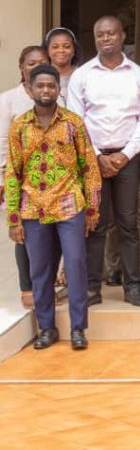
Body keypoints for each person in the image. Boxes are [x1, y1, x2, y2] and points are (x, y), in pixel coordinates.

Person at [6, 65, 101, 351]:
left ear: (58, 89)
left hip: (69, 205)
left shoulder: (73, 123)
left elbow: (89, 167)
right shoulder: (20, 126)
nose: (46, 90)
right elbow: (12, 172)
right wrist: (13, 218)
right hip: (32, 209)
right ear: (30, 89)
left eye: (51, 85)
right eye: (40, 86)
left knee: (75, 265)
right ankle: (46, 328)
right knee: (40, 271)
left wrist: (92, 210)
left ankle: (78, 328)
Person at [67, 15, 140, 308]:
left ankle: (133, 287)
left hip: (129, 158)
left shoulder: (139, 76)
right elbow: (76, 122)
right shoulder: (82, 75)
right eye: (100, 34)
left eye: (111, 33)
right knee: (95, 224)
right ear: (95, 39)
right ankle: (92, 288)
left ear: (123, 36)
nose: (106, 38)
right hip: (93, 159)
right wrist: (97, 157)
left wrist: (125, 154)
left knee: (128, 223)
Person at [0, 45, 50, 309]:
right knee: (24, 232)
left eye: (42, 62)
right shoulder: (8, 99)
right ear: (21, 67)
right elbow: (2, 142)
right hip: (19, 179)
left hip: (52, 179)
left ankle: (47, 283)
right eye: (31, 63)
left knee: (49, 232)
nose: (36, 66)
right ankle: (27, 286)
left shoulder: (55, 94)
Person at [43, 27, 83, 103]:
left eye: (66, 46)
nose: (61, 50)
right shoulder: (40, 76)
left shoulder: (83, 75)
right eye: (55, 47)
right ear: (47, 50)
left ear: (74, 50)